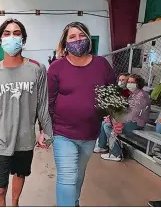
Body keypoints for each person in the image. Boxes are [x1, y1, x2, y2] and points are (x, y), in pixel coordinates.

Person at [0, 18, 53, 207]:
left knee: (20, 174)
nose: (12, 37)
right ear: (0, 40)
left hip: (25, 139)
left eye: (16, 33)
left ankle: (15, 203)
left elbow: (42, 104)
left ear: (23, 39)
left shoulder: (37, 69)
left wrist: (46, 131)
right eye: (7, 34)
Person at [47, 22, 116, 207]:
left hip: (89, 133)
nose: (78, 39)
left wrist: (118, 117)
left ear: (88, 38)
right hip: (63, 132)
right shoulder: (56, 67)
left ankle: (74, 202)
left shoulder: (101, 64)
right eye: (72, 36)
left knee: (78, 174)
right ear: (65, 43)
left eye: (81, 35)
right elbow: (48, 100)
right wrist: (44, 129)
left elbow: (112, 94)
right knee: (67, 175)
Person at [94, 74, 151, 161]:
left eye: (133, 82)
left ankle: (116, 154)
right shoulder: (133, 94)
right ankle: (102, 146)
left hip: (136, 122)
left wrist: (119, 120)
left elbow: (134, 113)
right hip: (129, 120)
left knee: (108, 126)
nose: (129, 84)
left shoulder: (141, 96)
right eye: (129, 82)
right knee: (105, 122)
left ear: (138, 83)